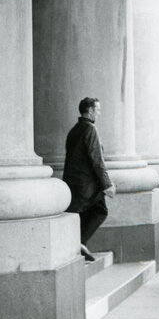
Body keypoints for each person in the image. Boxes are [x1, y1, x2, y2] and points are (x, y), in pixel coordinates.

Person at [62, 97, 116, 262]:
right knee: (101, 210)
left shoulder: (74, 130)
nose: (99, 113)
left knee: (85, 213)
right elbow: (97, 160)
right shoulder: (90, 129)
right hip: (87, 185)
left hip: (73, 183)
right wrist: (107, 185)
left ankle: (79, 243)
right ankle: (80, 242)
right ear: (90, 110)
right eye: (97, 110)